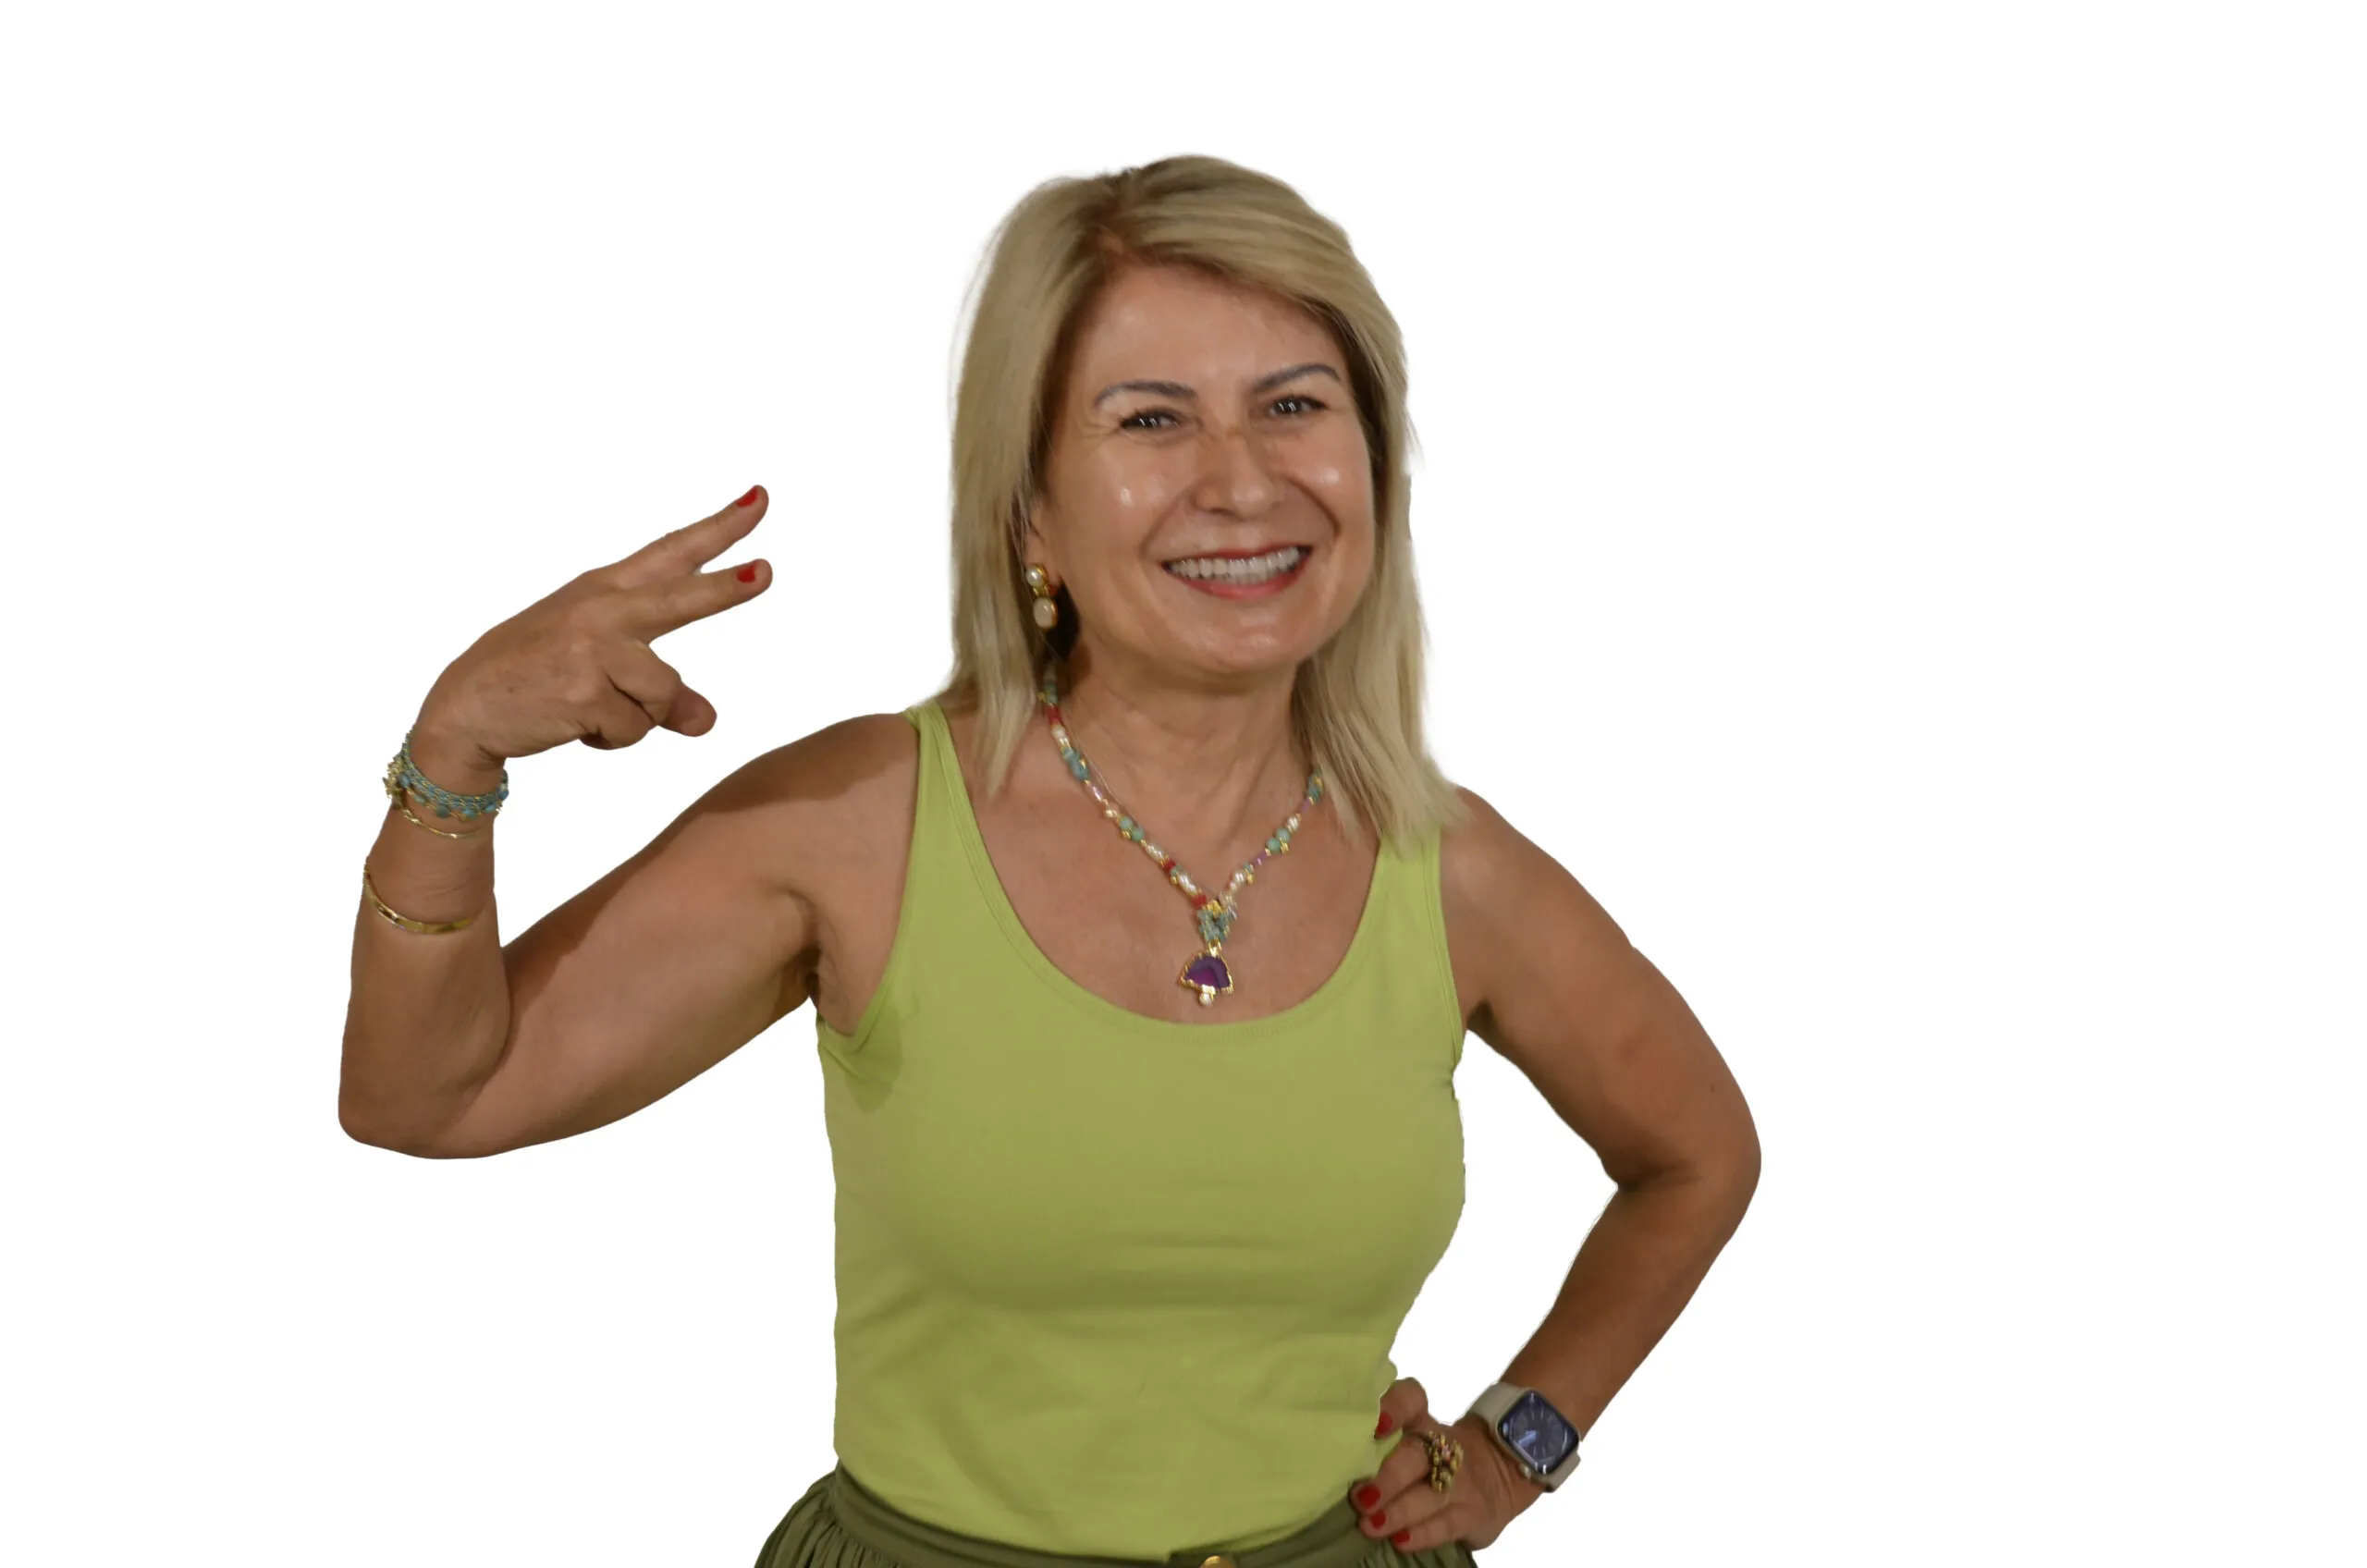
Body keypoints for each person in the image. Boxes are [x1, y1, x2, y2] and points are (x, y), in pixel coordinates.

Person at [339, 154, 1761, 1568]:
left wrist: (1516, 1449)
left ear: (1373, 468)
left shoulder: (1451, 871)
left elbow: (1698, 1156)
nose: (1242, 480)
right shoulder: (860, 828)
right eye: (1152, 419)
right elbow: (430, 1096)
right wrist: (455, 760)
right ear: (1031, 510)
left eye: (1294, 406)